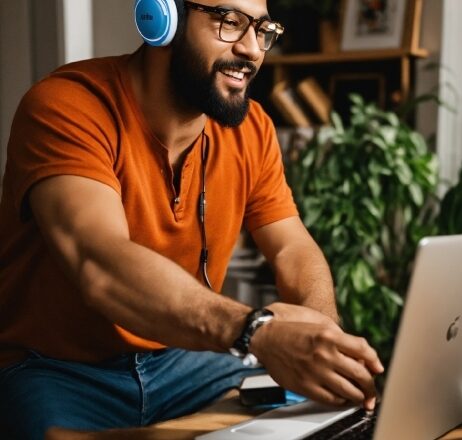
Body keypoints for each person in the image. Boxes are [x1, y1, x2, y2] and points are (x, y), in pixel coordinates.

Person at [0, 0, 383, 438]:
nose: (253, 49)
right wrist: (254, 330)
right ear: (162, 18)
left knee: (331, 426)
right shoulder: (67, 106)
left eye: (262, 29)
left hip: (183, 362)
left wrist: (323, 337)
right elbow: (98, 263)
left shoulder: (252, 129)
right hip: (54, 369)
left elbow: (292, 247)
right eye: (230, 22)